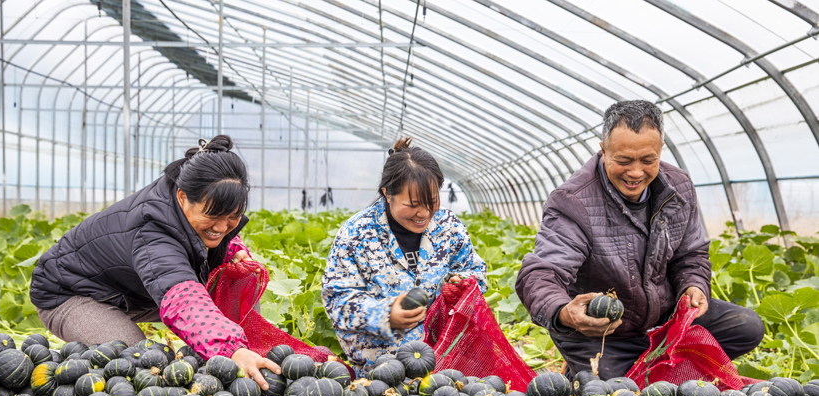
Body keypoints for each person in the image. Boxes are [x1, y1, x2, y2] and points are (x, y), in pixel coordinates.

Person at [515, 100, 765, 380]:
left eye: (648, 160)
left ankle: (660, 363)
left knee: (746, 327)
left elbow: (691, 255)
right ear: (603, 151)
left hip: (665, 322)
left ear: (660, 151)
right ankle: (640, 368)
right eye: (623, 161)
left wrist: (693, 285)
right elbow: (542, 272)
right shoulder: (573, 202)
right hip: (604, 333)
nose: (636, 172)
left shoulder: (679, 186)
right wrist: (563, 312)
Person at [30, 135, 280, 389]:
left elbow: (214, 235)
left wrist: (233, 250)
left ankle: (250, 354)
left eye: (232, 216)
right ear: (182, 197)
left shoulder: (192, 193)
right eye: (212, 215)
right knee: (136, 362)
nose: (221, 226)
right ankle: (236, 351)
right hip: (71, 294)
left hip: (132, 290)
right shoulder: (152, 230)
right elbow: (183, 300)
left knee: (239, 274)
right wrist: (229, 351)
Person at [322, 137, 487, 374]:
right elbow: (338, 301)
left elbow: (476, 273)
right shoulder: (356, 234)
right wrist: (386, 315)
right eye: (413, 204)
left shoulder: (450, 228)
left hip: (447, 366)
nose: (425, 213)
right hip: (382, 371)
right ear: (387, 193)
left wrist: (463, 284)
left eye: (432, 202)